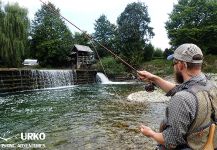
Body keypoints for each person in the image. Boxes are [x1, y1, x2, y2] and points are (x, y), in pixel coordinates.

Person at [137, 43, 217, 149]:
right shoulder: (210, 85)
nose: (174, 67)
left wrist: (150, 133)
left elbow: (170, 140)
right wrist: (154, 78)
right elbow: (183, 89)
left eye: (174, 63)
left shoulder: (182, 98)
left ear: (181, 65)